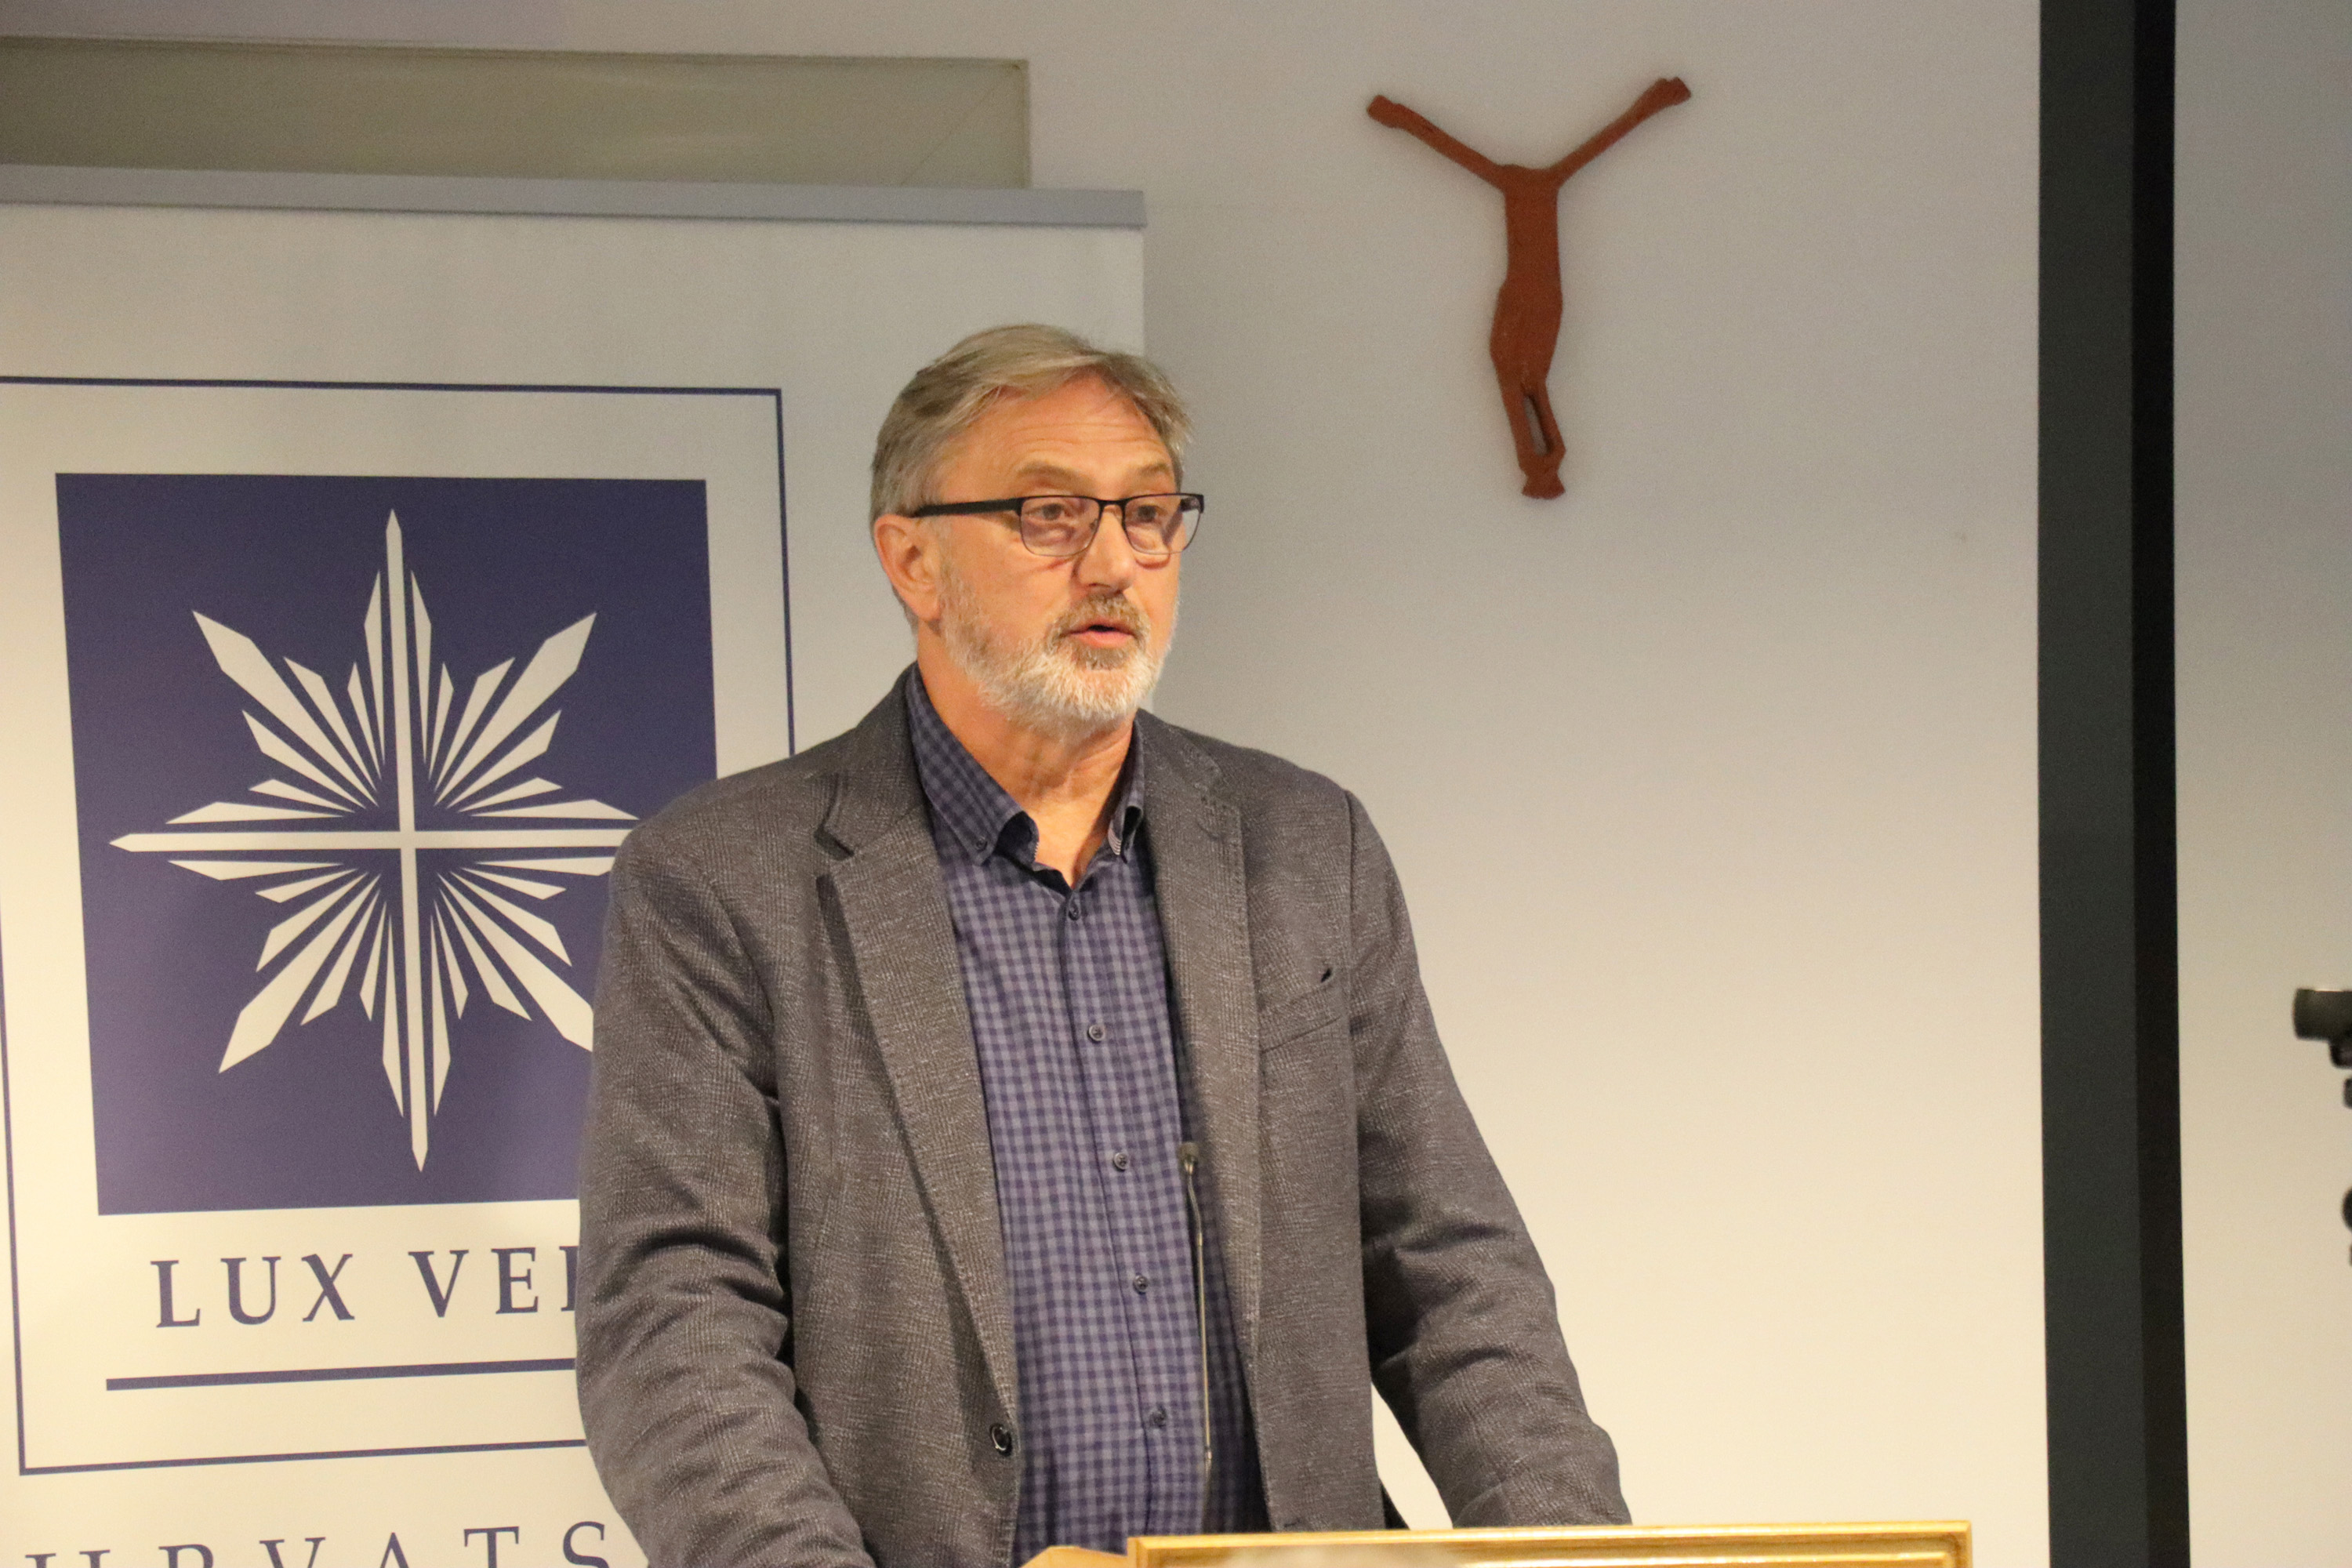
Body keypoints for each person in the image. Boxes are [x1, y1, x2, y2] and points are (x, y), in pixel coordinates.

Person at [575, 325, 1626, 1567]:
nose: (1115, 563)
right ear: (912, 560)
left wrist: (1581, 1558)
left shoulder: (1306, 847)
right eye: (1050, 516)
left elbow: (1446, 1264)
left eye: (1148, 514)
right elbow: (678, 1323)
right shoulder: (722, 880)